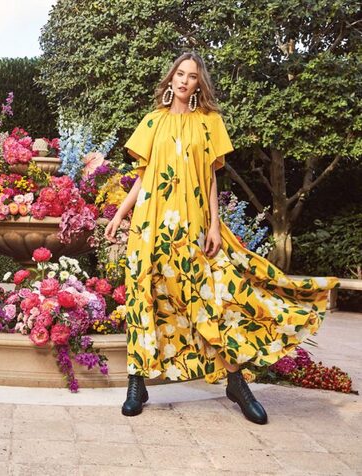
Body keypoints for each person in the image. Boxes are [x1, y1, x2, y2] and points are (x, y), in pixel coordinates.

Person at [104, 51, 339, 425]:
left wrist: (214, 224)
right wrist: (119, 214)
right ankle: (137, 382)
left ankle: (235, 381)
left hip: (194, 226)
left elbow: (212, 179)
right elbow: (145, 178)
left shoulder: (210, 123)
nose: (184, 81)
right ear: (171, 79)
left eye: (192, 76)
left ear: (199, 84)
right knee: (144, 296)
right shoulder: (153, 122)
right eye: (179, 74)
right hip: (150, 227)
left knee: (209, 300)